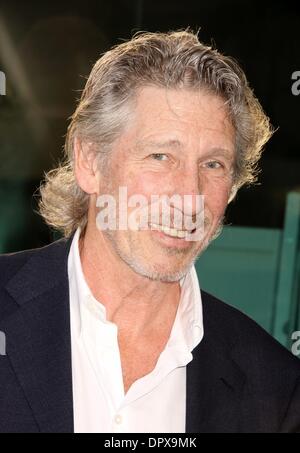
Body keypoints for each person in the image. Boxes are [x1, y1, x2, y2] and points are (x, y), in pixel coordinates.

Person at [0, 30, 299, 434]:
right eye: (161, 156)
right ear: (89, 160)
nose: (189, 197)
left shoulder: (277, 388)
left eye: (213, 165)